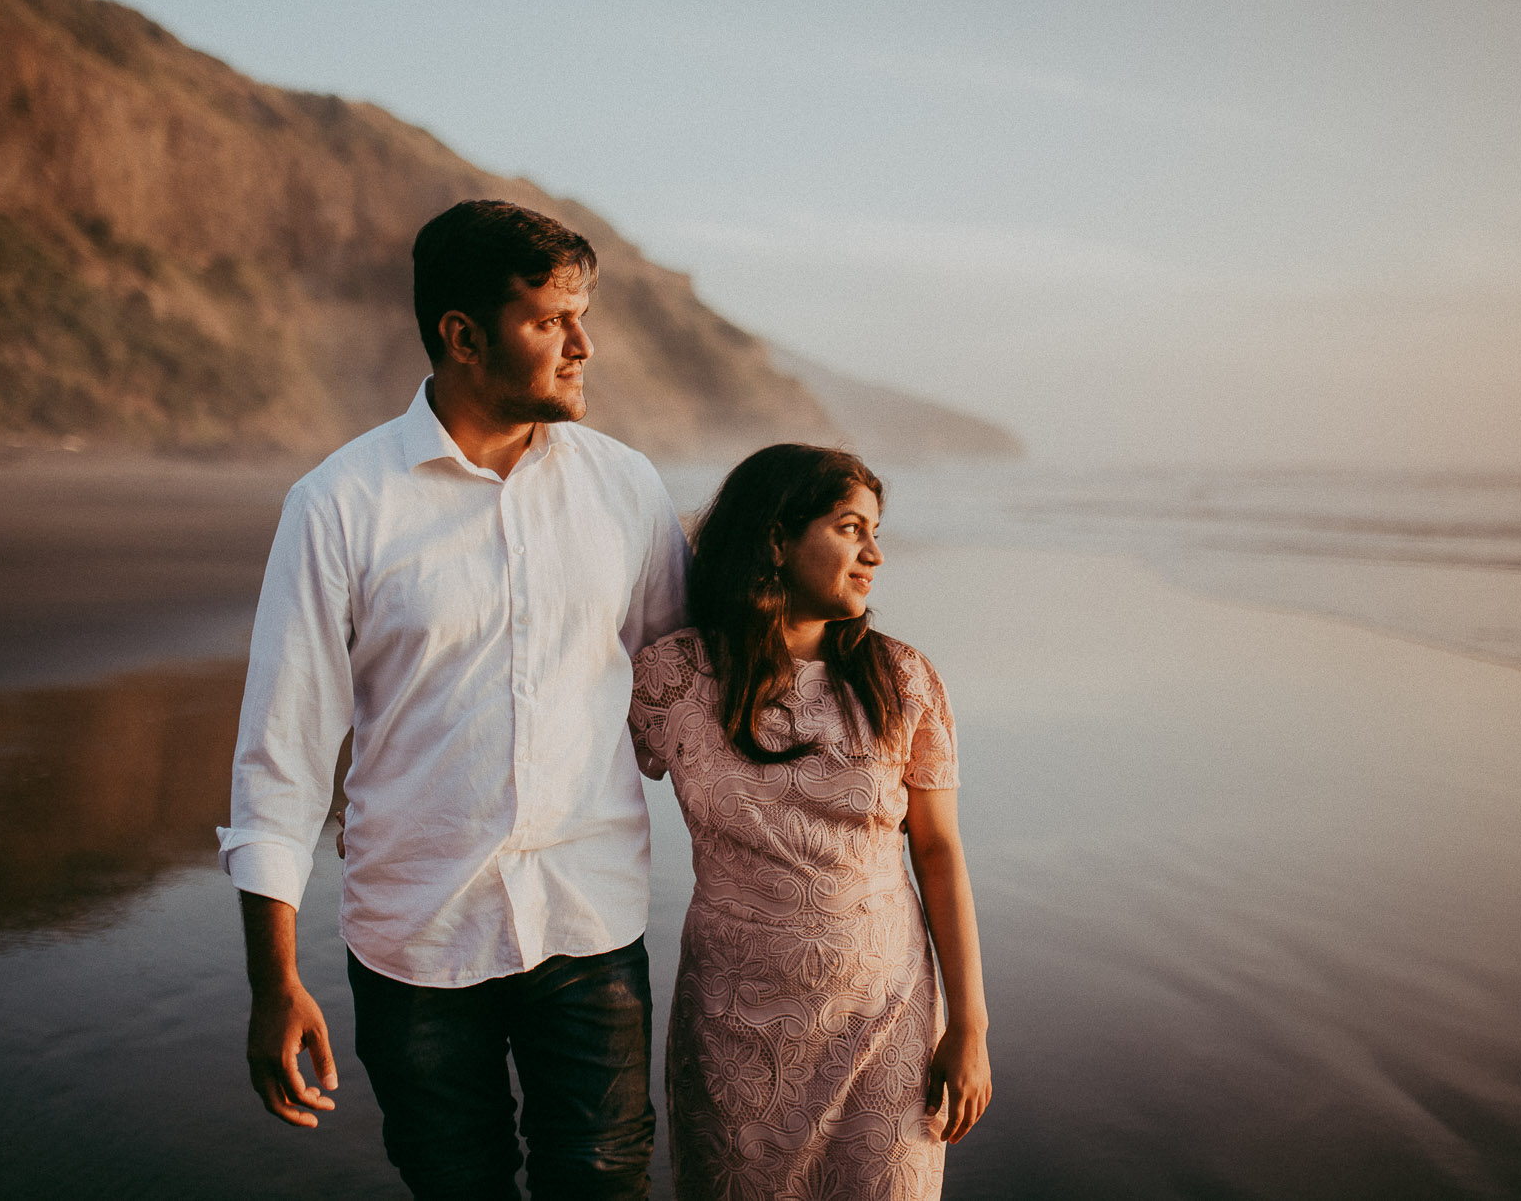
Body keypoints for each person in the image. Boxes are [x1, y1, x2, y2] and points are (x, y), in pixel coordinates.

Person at [218, 198, 689, 1199]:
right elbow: (282, 754)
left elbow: (677, 693)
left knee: (606, 1185)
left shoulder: (625, 489)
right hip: (414, 937)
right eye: (551, 320)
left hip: (587, 924)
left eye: (584, 315)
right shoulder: (340, 504)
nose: (584, 344)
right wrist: (273, 979)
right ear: (462, 335)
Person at [628, 444, 991, 1200]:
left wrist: (971, 1027)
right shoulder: (676, 676)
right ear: (775, 538)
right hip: (734, 1031)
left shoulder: (903, 678)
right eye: (851, 528)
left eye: (876, 530)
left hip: (885, 1022)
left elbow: (939, 850)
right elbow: (569, 785)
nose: (876, 554)